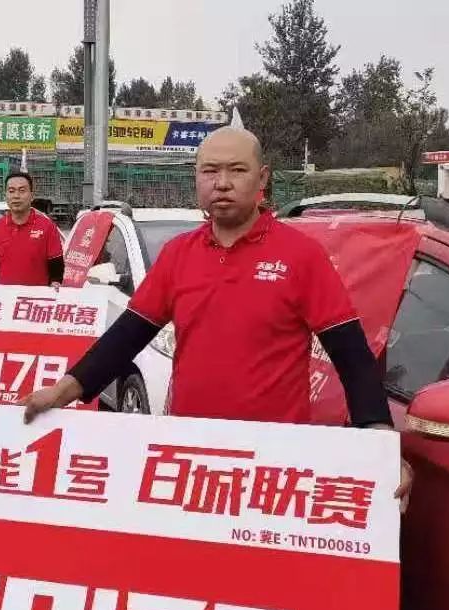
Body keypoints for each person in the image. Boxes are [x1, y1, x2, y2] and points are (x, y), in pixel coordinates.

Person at [21, 128, 413, 507]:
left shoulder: (301, 255)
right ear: (196, 177)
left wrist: (380, 440)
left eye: (237, 170)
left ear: (262, 178)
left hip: (276, 460)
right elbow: (127, 336)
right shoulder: (178, 255)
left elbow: (351, 354)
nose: (222, 183)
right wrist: (62, 391)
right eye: (210, 170)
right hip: (190, 454)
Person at [0, 171, 64, 288]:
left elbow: (56, 263)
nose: (16, 196)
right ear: (5, 196)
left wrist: (56, 282)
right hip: (4, 296)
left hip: (35, 297)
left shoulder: (47, 226)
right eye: (11, 191)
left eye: (22, 190)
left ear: (32, 196)